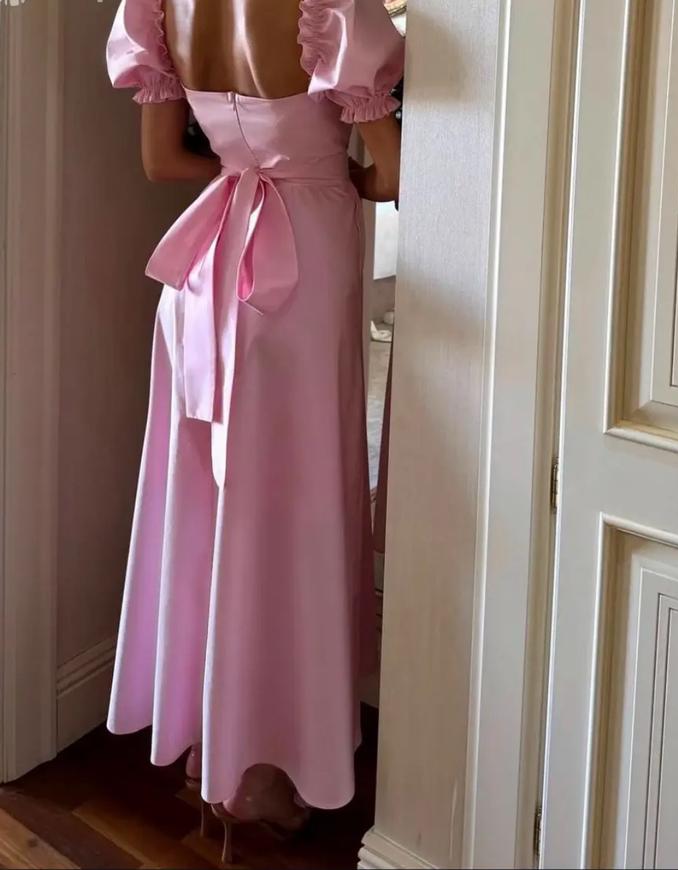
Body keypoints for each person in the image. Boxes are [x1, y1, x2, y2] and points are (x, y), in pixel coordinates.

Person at [105, 0, 403, 861]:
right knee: (293, 517)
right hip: (298, 275)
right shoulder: (328, 9)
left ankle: (218, 749)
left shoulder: (155, 8)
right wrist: (324, 173)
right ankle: (268, 766)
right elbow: (393, 174)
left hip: (205, 275)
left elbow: (163, 160)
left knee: (213, 511)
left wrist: (245, 161)